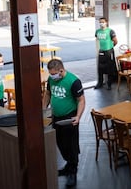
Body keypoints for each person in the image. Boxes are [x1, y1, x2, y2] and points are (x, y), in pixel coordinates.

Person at [42, 59, 85, 187]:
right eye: (50, 74)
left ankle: (73, 171)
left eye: (54, 74)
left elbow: (81, 100)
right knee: (60, 142)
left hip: (69, 117)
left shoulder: (73, 81)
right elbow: (48, 94)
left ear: (61, 70)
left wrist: (78, 116)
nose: (52, 76)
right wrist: (44, 109)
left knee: (71, 145)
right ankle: (68, 165)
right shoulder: (51, 79)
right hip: (55, 116)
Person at [94, 17, 118, 90]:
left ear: (106, 22)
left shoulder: (110, 31)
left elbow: (115, 41)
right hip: (101, 51)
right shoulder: (97, 31)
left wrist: (110, 46)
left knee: (110, 68)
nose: (101, 23)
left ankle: (109, 84)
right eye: (100, 22)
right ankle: (100, 83)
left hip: (109, 51)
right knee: (100, 68)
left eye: (103, 22)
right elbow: (97, 39)